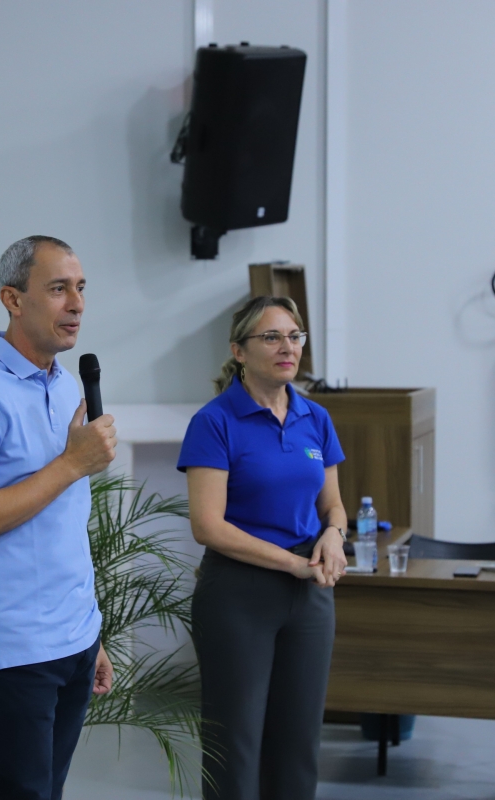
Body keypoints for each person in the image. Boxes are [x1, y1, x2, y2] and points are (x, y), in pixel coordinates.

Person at [0, 235, 116, 800]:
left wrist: (90, 630)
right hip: (15, 650)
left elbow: (63, 526)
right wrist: (72, 464)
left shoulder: (65, 386)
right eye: (58, 289)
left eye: (80, 288)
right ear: (12, 299)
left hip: (73, 638)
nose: (77, 304)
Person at [177, 295, 348, 800]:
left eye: (294, 336)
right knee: (235, 747)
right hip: (238, 594)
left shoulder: (315, 418)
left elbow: (333, 506)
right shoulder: (215, 421)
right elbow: (208, 526)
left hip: (309, 595)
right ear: (239, 351)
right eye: (271, 337)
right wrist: (292, 563)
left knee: (299, 744)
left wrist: (334, 535)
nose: (287, 347)